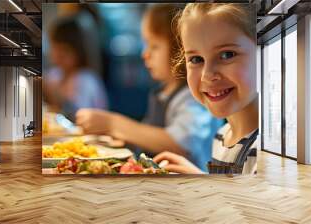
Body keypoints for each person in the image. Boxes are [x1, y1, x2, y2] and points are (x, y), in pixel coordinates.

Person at [76, 4, 223, 171]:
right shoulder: (162, 92)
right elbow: (147, 136)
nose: (145, 54)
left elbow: (182, 144)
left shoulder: (194, 96)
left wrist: (113, 124)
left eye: (154, 46)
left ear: (180, 50)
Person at [154, 3, 259, 175]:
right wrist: (199, 177)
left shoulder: (265, 151)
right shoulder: (222, 136)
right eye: (196, 59)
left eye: (227, 55)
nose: (207, 75)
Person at [43, 17, 108, 121]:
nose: (57, 56)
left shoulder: (87, 79)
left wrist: (60, 99)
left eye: (64, 51)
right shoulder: (53, 75)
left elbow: (85, 117)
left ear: (78, 51)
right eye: (55, 49)